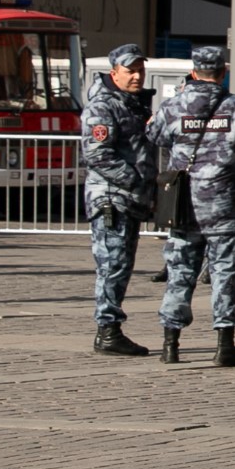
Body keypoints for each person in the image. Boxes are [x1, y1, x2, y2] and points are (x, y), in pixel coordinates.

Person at [148, 45, 235, 366]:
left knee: (180, 271)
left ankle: (171, 343)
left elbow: (154, 136)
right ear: (223, 74)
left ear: (193, 73)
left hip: (184, 205)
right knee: (224, 272)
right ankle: (224, 344)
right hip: (226, 204)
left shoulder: (173, 105)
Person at [83, 44, 157, 357]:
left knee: (122, 265)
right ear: (115, 73)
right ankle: (108, 330)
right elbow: (97, 153)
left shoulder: (133, 104)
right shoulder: (104, 105)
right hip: (112, 198)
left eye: (140, 69)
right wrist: (135, 179)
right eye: (130, 70)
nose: (137, 75)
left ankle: (110, 328)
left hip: (128, 199)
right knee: (113, 266)